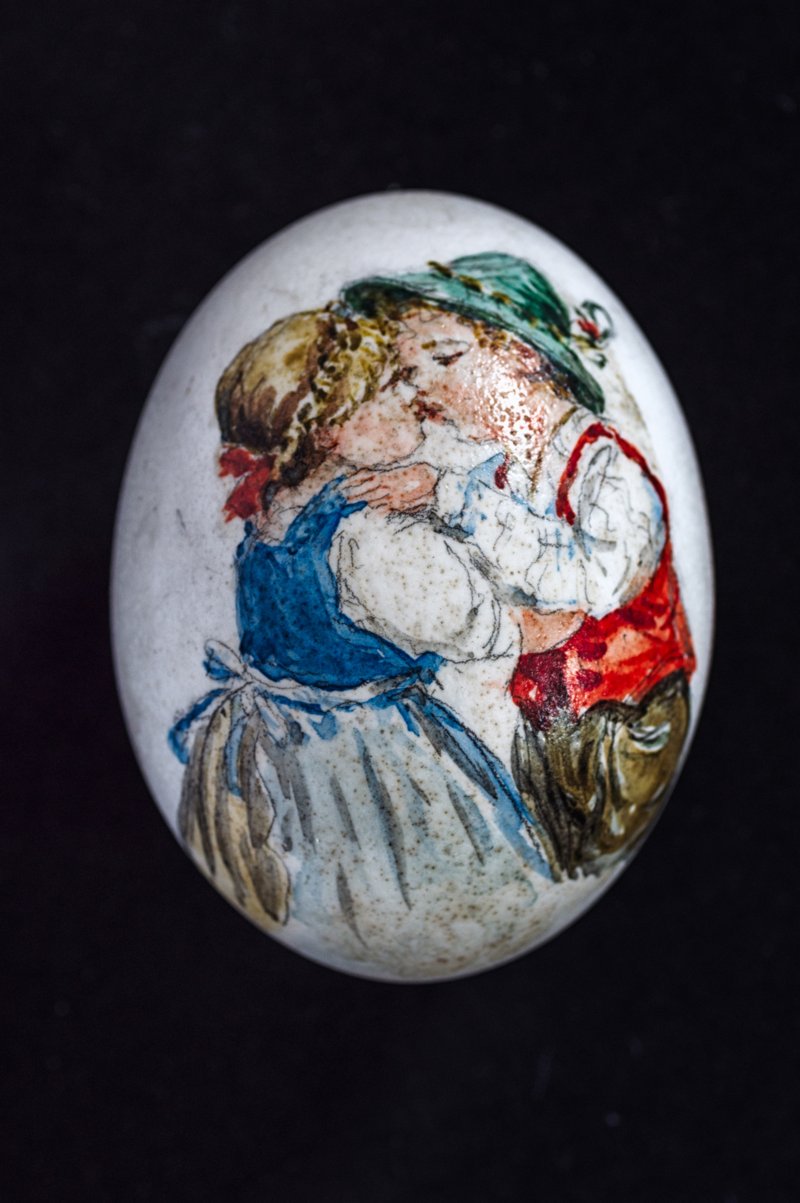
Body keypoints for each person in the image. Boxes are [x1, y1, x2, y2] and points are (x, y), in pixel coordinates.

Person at [169, 304, 554, 979]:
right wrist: (568, 612)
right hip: (367, 759)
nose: (417, 399)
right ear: (330, 428)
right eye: (394, 388)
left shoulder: (275, 513)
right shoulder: (370, 533)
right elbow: (484, 627)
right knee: (410, 893)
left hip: (269, 744)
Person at [340, 253, 696, 879]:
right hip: (543, 727)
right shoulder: (496, 477)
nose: (422, 389)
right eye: (412, 371)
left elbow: (593, 581)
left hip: (627, 722)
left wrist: (447, 495)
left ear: (524, 355)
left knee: (591, 861)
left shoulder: (607, 468)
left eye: (444, 358)